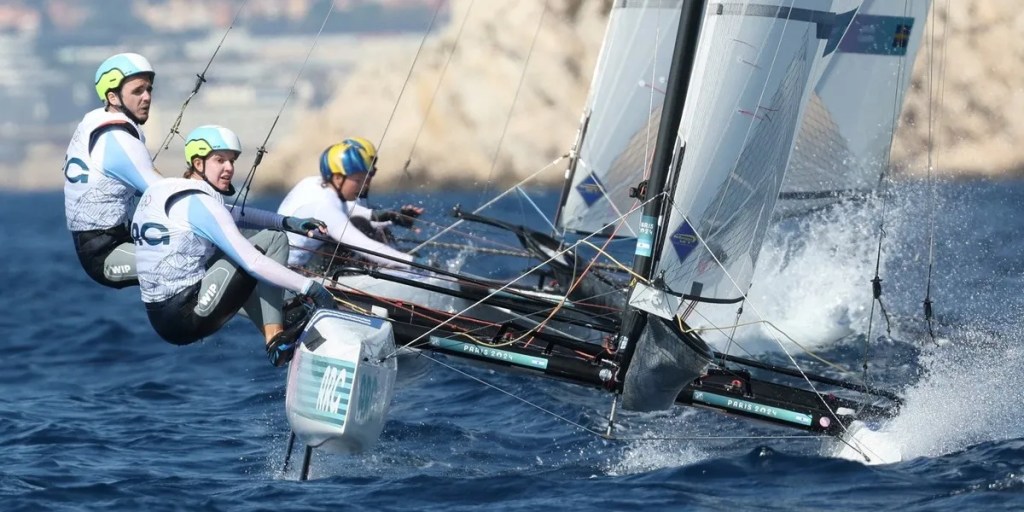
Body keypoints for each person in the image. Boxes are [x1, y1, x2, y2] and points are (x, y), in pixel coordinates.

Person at [132, 125, 335, 366]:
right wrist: (310, 288)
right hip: (188, 313)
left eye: (232, 161)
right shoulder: (202, 204)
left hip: (162, 320)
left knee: (230, 243)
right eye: (220, 160)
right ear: (198, 164)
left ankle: (284, 323)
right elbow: (252, 261)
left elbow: (240, 213)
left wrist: (289, 222)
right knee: (272, 240)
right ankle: (275, 339)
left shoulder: (172, 191)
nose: (229, 168)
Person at [64, 52, 165, 288]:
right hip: (105, 254)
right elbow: (170, 196)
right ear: (113, 96)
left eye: (149, 89)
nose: (147, 97)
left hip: (121, 238)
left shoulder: (96, 121)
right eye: (138, 91)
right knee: (202, 257)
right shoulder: (115, 139)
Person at [277, 137, 424, 271]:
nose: (364, 186)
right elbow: (364, 245)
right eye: (358, 180)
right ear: (338, 179)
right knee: (360, 225)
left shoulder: (329, 196)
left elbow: (357, 218)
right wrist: (415, 262)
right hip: (289, 272)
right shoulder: (324, 206)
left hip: (300, 266)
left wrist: (395, 218)